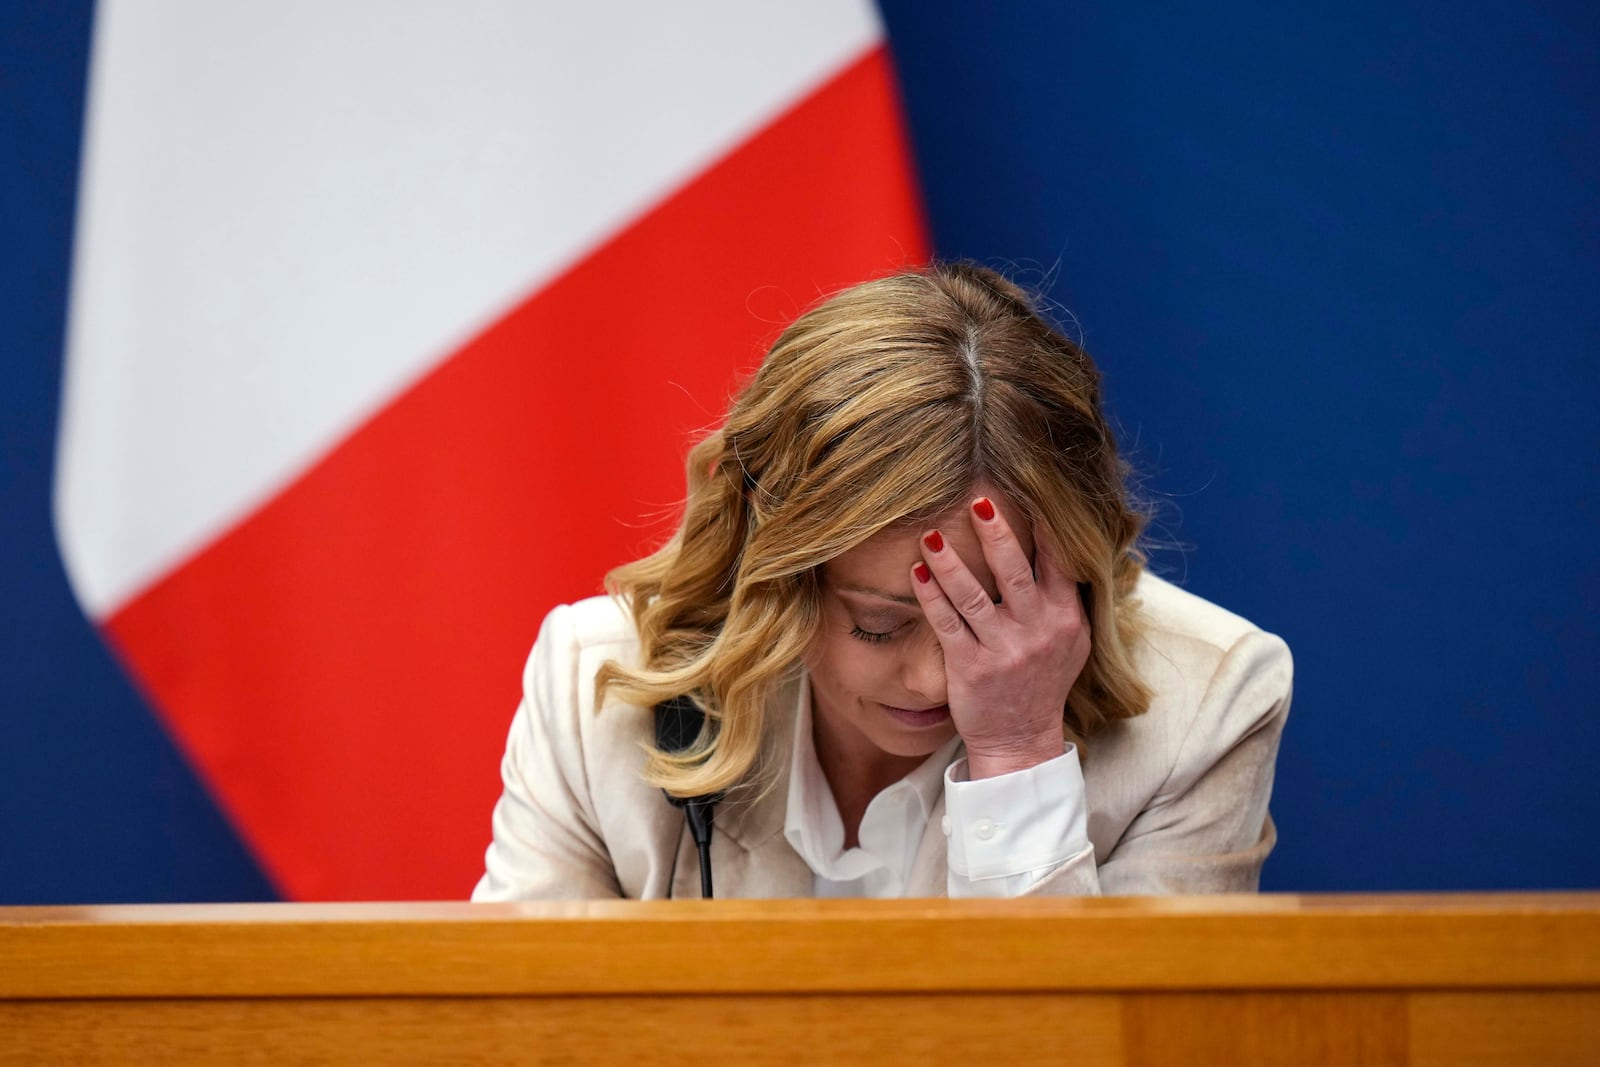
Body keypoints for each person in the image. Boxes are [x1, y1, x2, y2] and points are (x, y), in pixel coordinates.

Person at [473, 262, 1291, 900]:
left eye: (995, 619)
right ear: (774, 574)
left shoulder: (1211, 702)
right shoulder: (595, 685)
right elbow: (510, 1032)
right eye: (880, 621)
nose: (938, 678)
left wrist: (1017, 752)